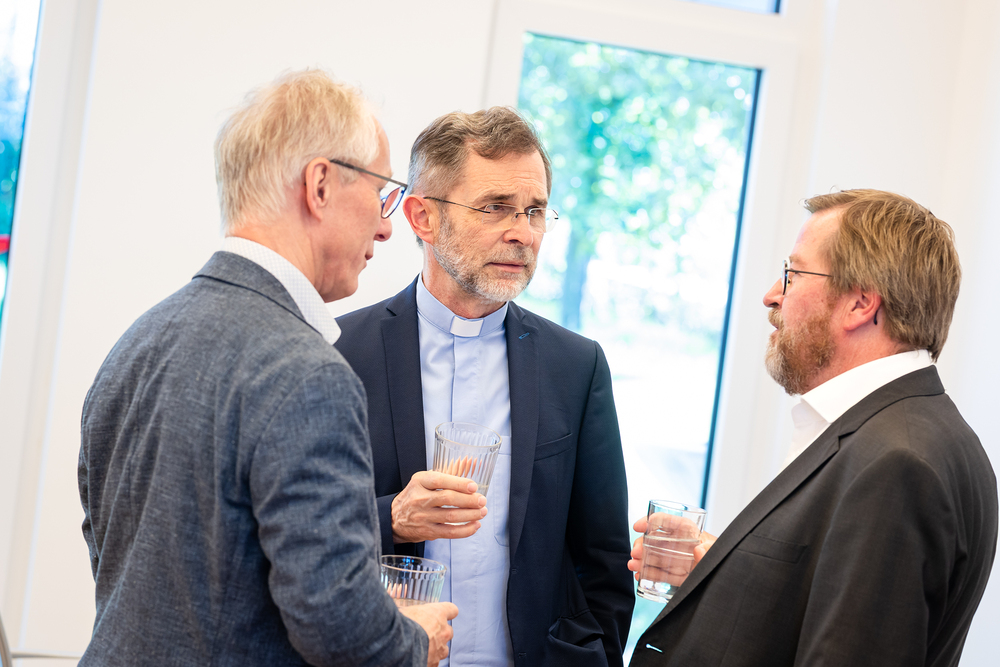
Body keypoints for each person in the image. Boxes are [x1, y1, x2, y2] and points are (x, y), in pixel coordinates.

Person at [77, 69, 457, 667]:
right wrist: (414, 639)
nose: (387, 227)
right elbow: (339, 630)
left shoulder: (139, 340)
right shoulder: (309, 374)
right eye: (383, 193)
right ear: (320, 186)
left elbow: (128, 562)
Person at [628, 189, 998, 667]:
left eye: (793, 273)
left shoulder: (898, 464)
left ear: (859, 303)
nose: (771, 295)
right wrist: (723, 568)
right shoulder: (902, 432)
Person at [335, 107, 634, 666]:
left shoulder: (577, 366)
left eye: (535, 211)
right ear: (422, 217)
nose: (522, 233)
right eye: (495, 207)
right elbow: (290, 535)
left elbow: (604, 560)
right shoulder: (336, 353)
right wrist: (391, 516)